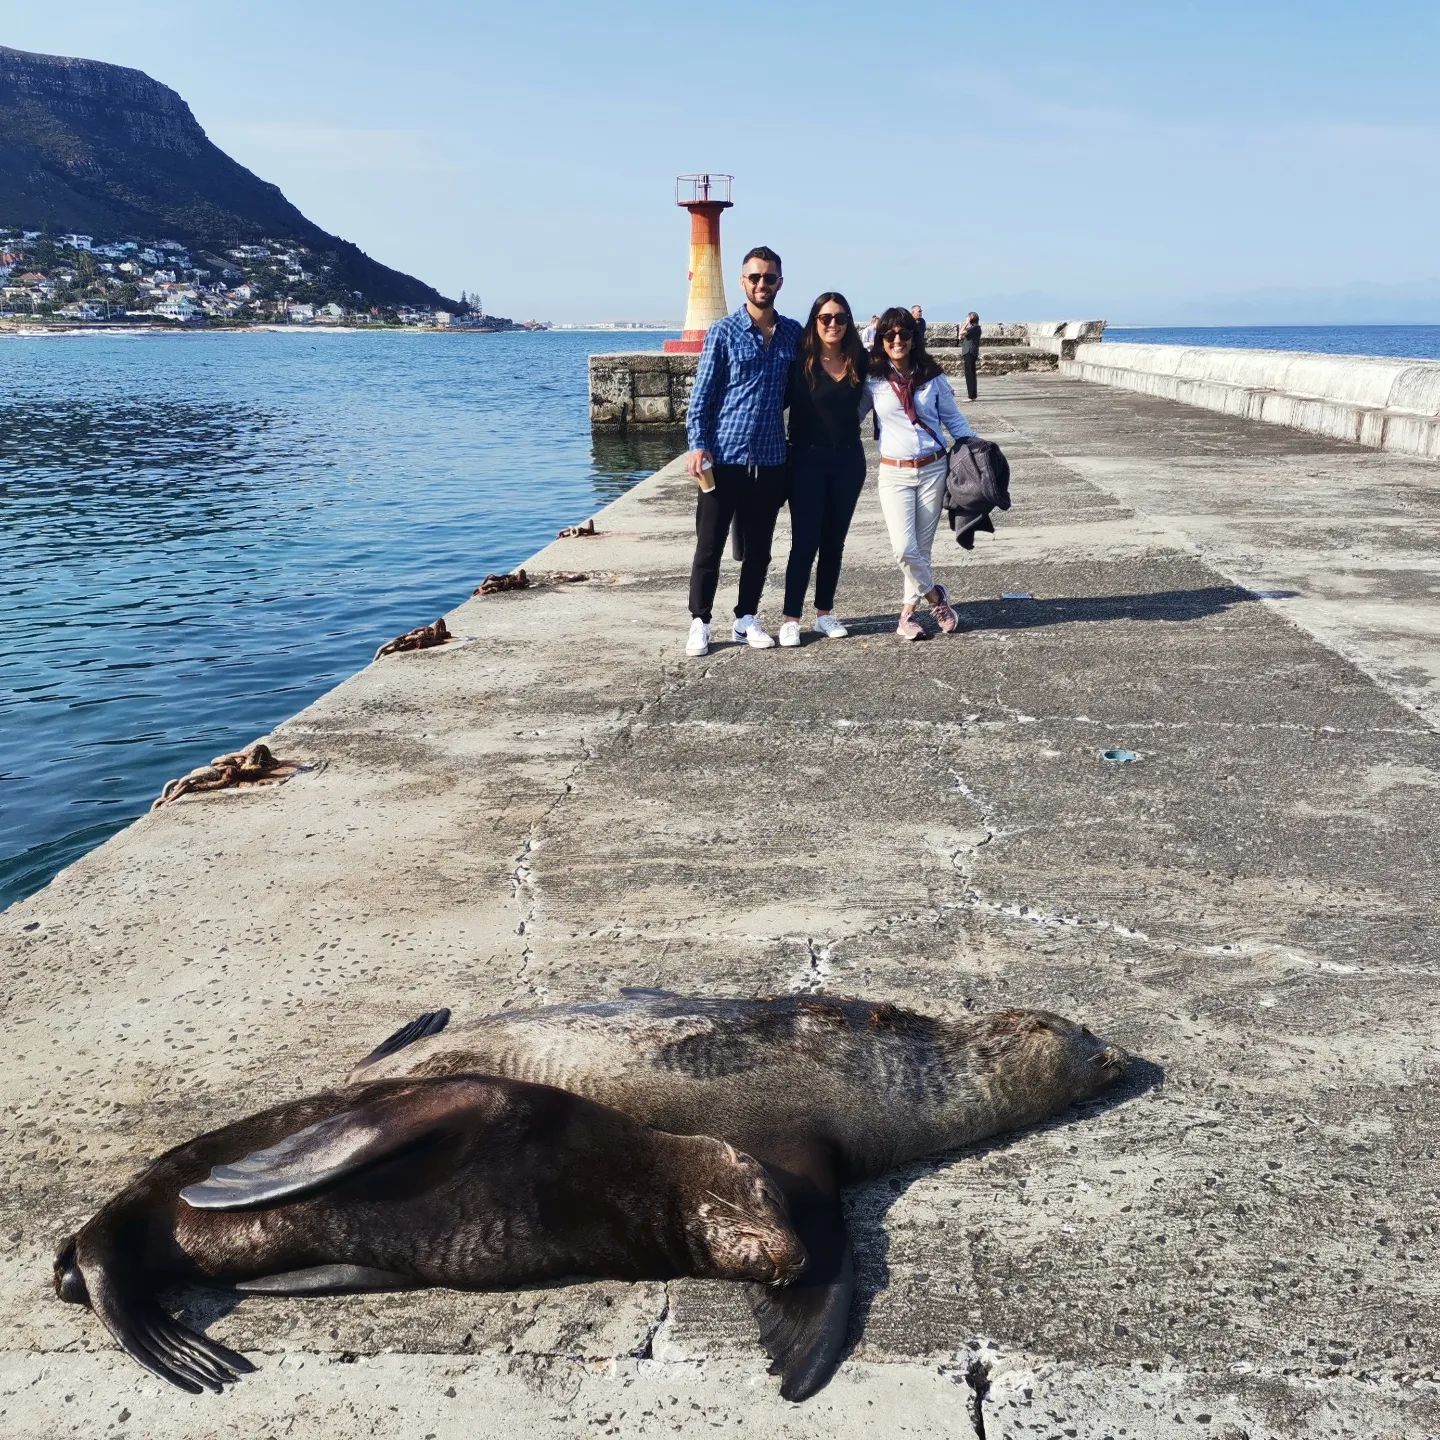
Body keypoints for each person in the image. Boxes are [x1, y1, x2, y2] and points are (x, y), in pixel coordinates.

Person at [684, 246, 802, 658]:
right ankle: (700, 620)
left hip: (770, 460)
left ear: (779, 283)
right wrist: (698, 445)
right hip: (724, 459)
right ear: (742, 282)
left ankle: (745, 618)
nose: (761, 285)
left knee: (759, 550)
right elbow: (702, 396)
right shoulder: (723, 332)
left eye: (769, 278)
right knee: (710, 546)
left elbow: (802, 388)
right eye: (754, 277)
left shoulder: (792, 333)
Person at [865, 306, 971, 640]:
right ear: (881, 340)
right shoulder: (873, 379)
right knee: (903, 549)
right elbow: (848, 417)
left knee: (921, 551)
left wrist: (975, 450)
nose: (897, 341)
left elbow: (953, 420)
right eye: (890, 335)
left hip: (932, 469)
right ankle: (937, 598)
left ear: (914, 338)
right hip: (893, 472)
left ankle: (907, 616)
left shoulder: (931, 375)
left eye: (904, 334)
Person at [777, 293, 869, 647]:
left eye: (841, 318)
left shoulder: (860, 360)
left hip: (848, 461)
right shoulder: (800, 361)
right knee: (804, 540)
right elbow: (769, 401)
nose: (833, 324)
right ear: (815, 320)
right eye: (826, 317)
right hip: (805, 461)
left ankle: (825, 613)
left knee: (834, 541)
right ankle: (790, 618)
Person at [960, 311, 981, 401]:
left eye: (968, 318)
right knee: (970, 373)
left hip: (970, 352)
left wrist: (966, 323)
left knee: (970, 374)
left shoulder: (975, 328)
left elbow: (961, 332)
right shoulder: (972, 329)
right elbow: (960, 337)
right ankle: (972, 395)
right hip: (968, 352)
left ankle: (971, 395)